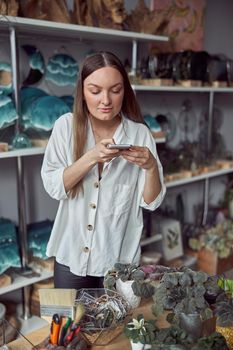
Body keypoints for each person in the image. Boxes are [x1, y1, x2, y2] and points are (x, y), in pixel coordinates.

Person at [41, 51, 166, 290]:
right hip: (71, 259)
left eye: (115, 90)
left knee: (116, 328)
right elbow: (54, 186)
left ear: (125, 91)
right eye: (95, 91)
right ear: (83, 92)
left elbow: (151, 202)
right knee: (70, 326)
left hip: (119, 265)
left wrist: (150, 167)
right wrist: (91, 157)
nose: (105, 100)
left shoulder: (139, 134)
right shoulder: (66, 127)